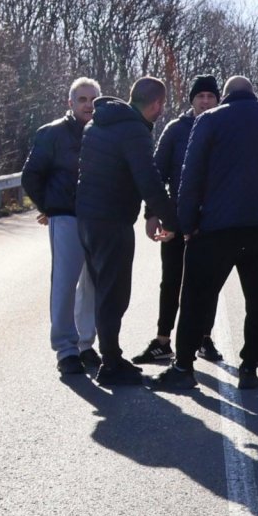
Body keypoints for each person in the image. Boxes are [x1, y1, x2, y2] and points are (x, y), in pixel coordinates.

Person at [152, 76, 258, 392]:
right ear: (253, 95)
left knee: (196, 299)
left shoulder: (209, 120)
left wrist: (186, 225)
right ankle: (249, 368)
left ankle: (184, 367)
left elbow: (191, 175)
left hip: (217, 226)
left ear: (224, 96)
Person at [76, 76, 178, 385]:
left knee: (103, 290)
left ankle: (110, 356)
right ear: (157, 104)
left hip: (88, 218)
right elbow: (148, 180)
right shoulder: (134, 130)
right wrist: (174, 221)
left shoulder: (98, 123)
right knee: (114, 294)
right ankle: (111, 363)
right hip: (111, 220)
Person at [132, 75, 223, 366]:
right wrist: (152, 213)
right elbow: (156, 174)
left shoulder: (223, 127)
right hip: (175, 217)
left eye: (211, 96)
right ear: (192, 100)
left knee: (207, 283)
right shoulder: (175, 130)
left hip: (211, 220)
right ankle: (162, 340)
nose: (206, 101)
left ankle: (204, 338)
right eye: (201, 97)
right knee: (171, 280)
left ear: (218, 100)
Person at [21, 76, 101, 376]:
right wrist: (49, 207)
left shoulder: (103, 133)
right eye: (82, 99)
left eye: (93, 99)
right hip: (66, 217)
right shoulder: (52, 133)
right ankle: (66, 350)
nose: (88, 104)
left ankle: (85, 344)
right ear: (71, 103)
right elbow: (31, 175)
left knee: (91, 285)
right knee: (65, 284)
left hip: (96, 219)